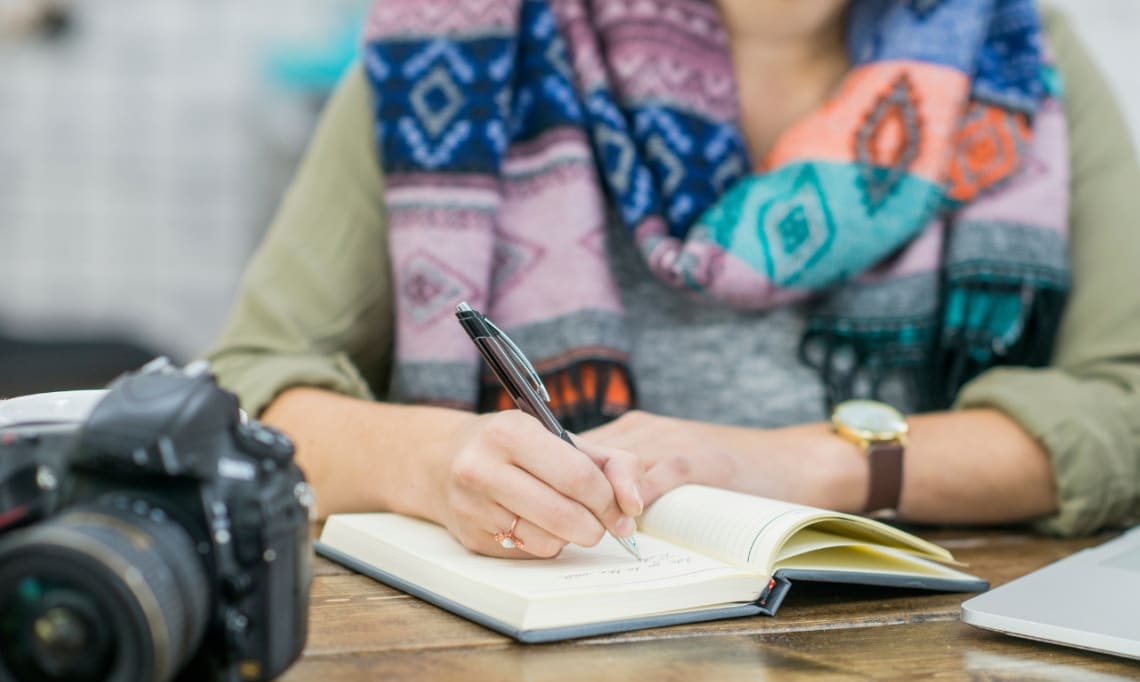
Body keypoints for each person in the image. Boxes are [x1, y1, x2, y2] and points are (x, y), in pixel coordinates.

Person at [205, 0, 1140, 559]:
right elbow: (250, 387)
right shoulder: (463, 39)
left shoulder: (1025, 52)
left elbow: (1126, 403)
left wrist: (813, 463)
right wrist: (434, 462)